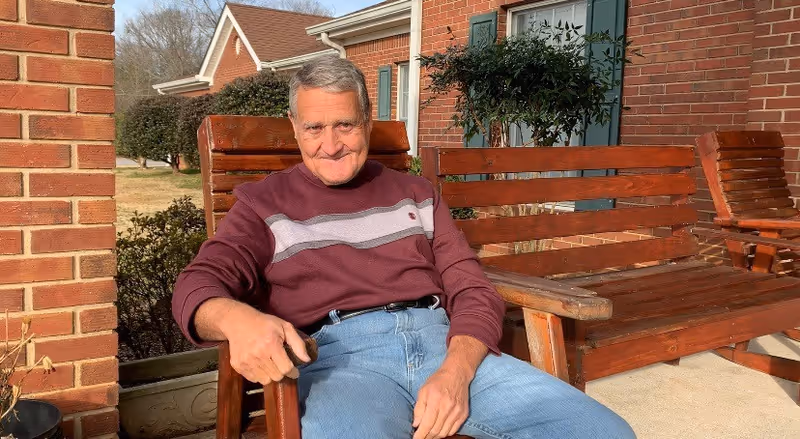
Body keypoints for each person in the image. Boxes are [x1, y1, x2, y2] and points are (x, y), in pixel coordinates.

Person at [171, 55, 635, 439]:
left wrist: (455, 374)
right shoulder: (263, 204)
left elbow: (473, 290)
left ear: (368, 123)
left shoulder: (417, 193)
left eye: (345, 125)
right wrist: (237, 319)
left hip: (445, 346)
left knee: (604, 432)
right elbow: (198, 284)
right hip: (340, 363)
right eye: (314, 128)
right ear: (294, 127)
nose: (330, 146)